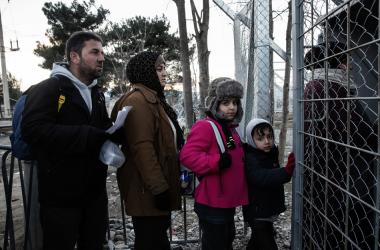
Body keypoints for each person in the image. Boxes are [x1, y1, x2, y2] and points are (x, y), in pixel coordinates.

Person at [21, 31, 120, 249]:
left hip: (94, 195)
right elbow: (32, 130)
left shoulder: (97, 93)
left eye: (102, 52)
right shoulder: (49, 89)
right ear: (74, 57)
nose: (102, 58)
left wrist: (115, 131)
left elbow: (100, 129)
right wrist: (86, 134)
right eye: (94, 52)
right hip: (60, 198)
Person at [303, 41, 380, 249]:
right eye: (347, 61)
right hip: (343, 180)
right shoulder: (336, 91)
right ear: (339, 65)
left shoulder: (313, 88)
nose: (352, 66)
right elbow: (366, 137)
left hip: (321, 173)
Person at [111, 51, 184, 250]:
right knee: (151, 240)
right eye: (159, 69)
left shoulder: (153, 99)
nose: (164, 73)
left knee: (155, 238)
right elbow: (143, 149)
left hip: (152, 186)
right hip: (147, 190)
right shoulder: (138, 101)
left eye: (164, 68)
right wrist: (159, 189)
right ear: (145, 72)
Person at [180, 77, 248, 250]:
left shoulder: (229, 128)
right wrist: (217, 161)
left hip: (225, 201)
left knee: (226, 238)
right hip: (212, 202)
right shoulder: (206, 126)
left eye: (234, 102)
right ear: (214, 104)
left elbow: (231, 152)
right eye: (225, 103)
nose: (232, 107)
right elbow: (187, 156)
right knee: (216, 243)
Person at [242, 118, 295, 250]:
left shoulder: (270, 152)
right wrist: (286, 172)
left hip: (265, 209)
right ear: (251, 139)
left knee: (256, 241)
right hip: (257, 212)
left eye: (269, 137)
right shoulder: (250, 157)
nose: (266, 141)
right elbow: (260, 177)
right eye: (260, 138)